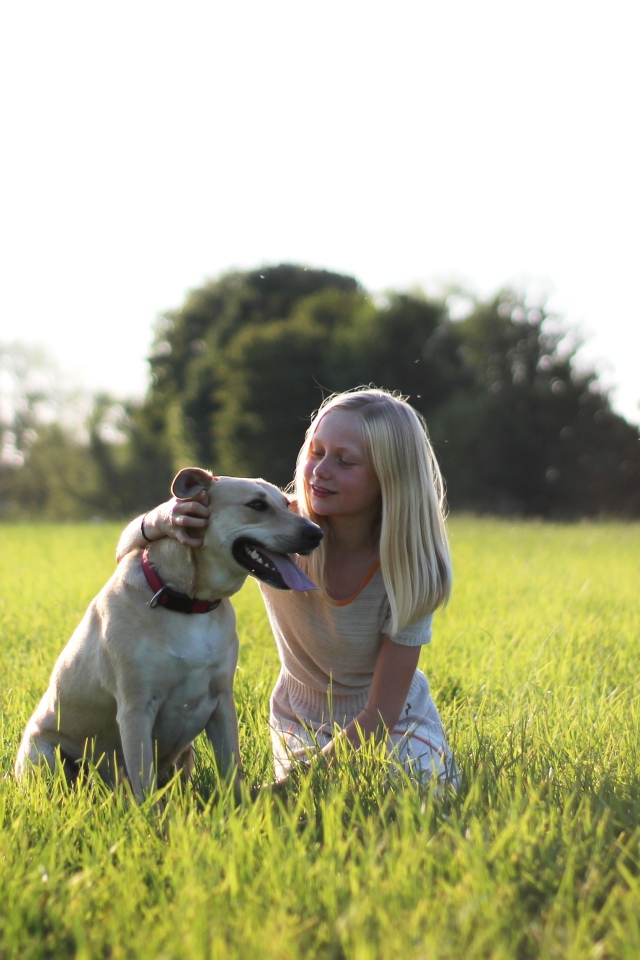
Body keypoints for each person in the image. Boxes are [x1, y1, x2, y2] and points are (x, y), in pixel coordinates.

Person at [116, 387, 457, 788]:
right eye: (316, 452)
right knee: (321, 803)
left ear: (389, 478)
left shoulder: (411, 567)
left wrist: (282, 790)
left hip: (394, 718)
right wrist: (162, 519)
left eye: (345, 461)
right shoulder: (274, 525)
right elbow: (127, 551)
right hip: (302, 718)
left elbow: (381, 712)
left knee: (412, 788)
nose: (320, 471)